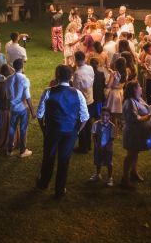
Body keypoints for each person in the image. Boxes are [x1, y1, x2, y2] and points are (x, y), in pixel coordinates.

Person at [36, 65, 90, 199]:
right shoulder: (77, 93)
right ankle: (59, 190)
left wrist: (44, 128)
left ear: (57, 76)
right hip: (70, 132)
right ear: (71, 77)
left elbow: (40, 114)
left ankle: (43, 183)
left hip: (52, 131)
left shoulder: (48, 91)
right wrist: (77, 131)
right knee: (64, 160)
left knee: (48, 157)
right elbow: (85, 117)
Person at [121, 81, 151, 187]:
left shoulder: (138, 99)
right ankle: (125, 179)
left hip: (138, 133)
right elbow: (134, 118)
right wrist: (150, 116)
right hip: (132, 133)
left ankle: (133, 172)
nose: (141, 88)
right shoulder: (130, 102)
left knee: (135, 153)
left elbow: (144, 109)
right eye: (139, 87)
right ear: (134, 89)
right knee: (130, 154)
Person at [6, 58, 36, 157]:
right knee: (23, 129)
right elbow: (27, 96)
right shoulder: (24, 79)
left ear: (14, 67)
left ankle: (9, 149)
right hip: (22, 108)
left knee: (12, 128)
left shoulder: (8, 79)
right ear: (22, 67)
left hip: (12, 107)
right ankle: (23, 151)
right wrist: (32, 111)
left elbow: (7, 95)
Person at [73, 51, 95, 154]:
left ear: (76, 60)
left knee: (82, 123)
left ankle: (83, 146)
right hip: (90, 98)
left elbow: (76, 89)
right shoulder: (90, 68)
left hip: (82, 101)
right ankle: (89, 144)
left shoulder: (77, 73)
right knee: (89, 122)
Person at [89, 109, 117, 186]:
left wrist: (106, 147)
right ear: (100, 115)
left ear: (110, 116)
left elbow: (112, 138)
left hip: (108, 149)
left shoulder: (112, 126)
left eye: (107, 115)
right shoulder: (96, 124)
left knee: (109, 162)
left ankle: (110, 178)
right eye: (103, 115)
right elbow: (94, 135)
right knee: (98, 161)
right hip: (98, 147)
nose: (104, 117)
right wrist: (96, 145)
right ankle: (98, 174)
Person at [0, 64, 13, 150]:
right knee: (9, 126)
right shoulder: (12, 82)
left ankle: (0, 142)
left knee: (0, 126)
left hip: (0, 108)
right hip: (9, 108)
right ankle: (10, 142)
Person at [105, 57, 128, 124]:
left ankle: (114, 129)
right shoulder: (126, 73)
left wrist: (108, 82)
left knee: (113, 113)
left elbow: (108, 85)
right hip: (121, 92)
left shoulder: (114, 73)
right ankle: (118, 126)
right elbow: (123, 84)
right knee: (118, 111)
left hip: (114, 94)